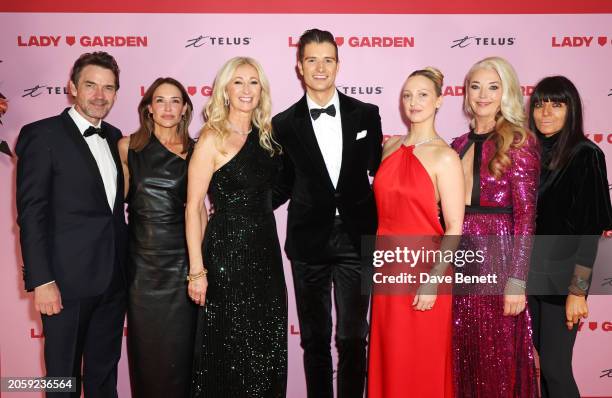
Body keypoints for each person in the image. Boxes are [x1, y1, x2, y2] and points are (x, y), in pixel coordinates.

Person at [272, 28, 383, 398]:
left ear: (338, 64)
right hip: (308, 245)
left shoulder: (367, 114)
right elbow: (282, 185)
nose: (320, 68)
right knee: (315, 341)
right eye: (312, 60)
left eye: (328, 60)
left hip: (355, 240)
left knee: (353, 337)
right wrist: (237, 205)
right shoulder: (283, 125)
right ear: (299, 67)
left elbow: (379, 172)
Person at [16, 51, 127, 397]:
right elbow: (31, 213)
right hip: (64, 284)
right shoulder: (41, 135)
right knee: (62, 381)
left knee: (103, 377)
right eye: (91, 85)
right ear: (72, 88)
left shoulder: (114, 136)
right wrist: (42, 281)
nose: (99, 95)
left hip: (113, 281)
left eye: (108, 88)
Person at [187, 56, 287, 397]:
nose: (247, 89)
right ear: (225, 90)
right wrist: (197, 271)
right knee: (226, 345)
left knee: (265, 345)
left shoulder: (268, 138)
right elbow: (193, 207)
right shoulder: (211, 138)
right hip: (225, 254)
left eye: (254, 82)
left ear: (262, 91)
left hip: (266, 254)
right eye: (239, 82)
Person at [367, 67, 464, 398]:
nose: (413, 101)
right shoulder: (390, 147)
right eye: (407, 95)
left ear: (439, 100)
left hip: (425, 270)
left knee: (420, 362)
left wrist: (434, 278)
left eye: (422, 94)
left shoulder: (446, 157)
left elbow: (454, 227)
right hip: (388, 269)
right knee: (389, 357)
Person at [450, 56, 539, 397]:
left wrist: (517, 279)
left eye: (492, 87)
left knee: (497, 361)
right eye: (475, 86)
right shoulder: (456, 145)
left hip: (499, 260)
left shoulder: (519, 141)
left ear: (506, 92)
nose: (482, 95)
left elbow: (527, 216)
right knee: (463, 356)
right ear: (466, 93)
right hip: (460, 262)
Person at [527, 76, 612, 398]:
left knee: (556, 369)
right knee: (543, 366)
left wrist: (577, 292)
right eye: (539, 104)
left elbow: (590, 232)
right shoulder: (529, 152)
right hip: (529, 275)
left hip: (564, 281)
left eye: (557, 104)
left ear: (571, 109)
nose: (546, 112)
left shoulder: (586, 154)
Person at [118, 77, 196, 398]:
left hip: (184, 267)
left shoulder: (197, 150)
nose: (167, 108)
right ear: (149, 108)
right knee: (148, 359)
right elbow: (113, 202)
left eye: (174, 101)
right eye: (160, 101)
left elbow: (199, 211)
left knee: (185, 356)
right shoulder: (128, 147)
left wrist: (198, 267)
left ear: (185, 109)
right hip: (143, 269)